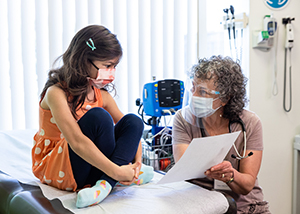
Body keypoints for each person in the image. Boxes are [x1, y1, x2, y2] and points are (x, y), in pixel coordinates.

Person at [32, 25, 154, 208]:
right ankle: (114, 178)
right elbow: (77, 141)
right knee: (99, 117)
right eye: (107, 66)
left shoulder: (102, 95)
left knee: (133, 121)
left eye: (114, 66)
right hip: (62, 167)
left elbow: (132, 131)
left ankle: (105, 184)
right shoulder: (55, 93)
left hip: (96, 166)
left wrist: (137, 163)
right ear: (84, 61)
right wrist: (119, 172)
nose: (112, 73)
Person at [172, 55, 271, 213]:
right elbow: (184, 168)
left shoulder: (250, 123)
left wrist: (230, 175)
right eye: (193, 88)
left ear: (225, 98)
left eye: (203, 92)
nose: (194, 96)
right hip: (202, 206)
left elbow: (246, 185)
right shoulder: (183, 120)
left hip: (245, 207)